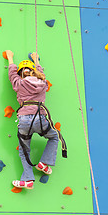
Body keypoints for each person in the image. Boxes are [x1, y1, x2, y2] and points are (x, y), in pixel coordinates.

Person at [7, 50, 67, 190]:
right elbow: (40, 73)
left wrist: (10, 58)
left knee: (24, 150)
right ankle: (44, 163)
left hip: (24, 120)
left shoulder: (19, 83)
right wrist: (36, 60)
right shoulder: (42, 82)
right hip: (40, 118)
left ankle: (28, 179)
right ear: (34, 72)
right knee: (54, 137)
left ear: (21, 73)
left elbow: (11, 74)